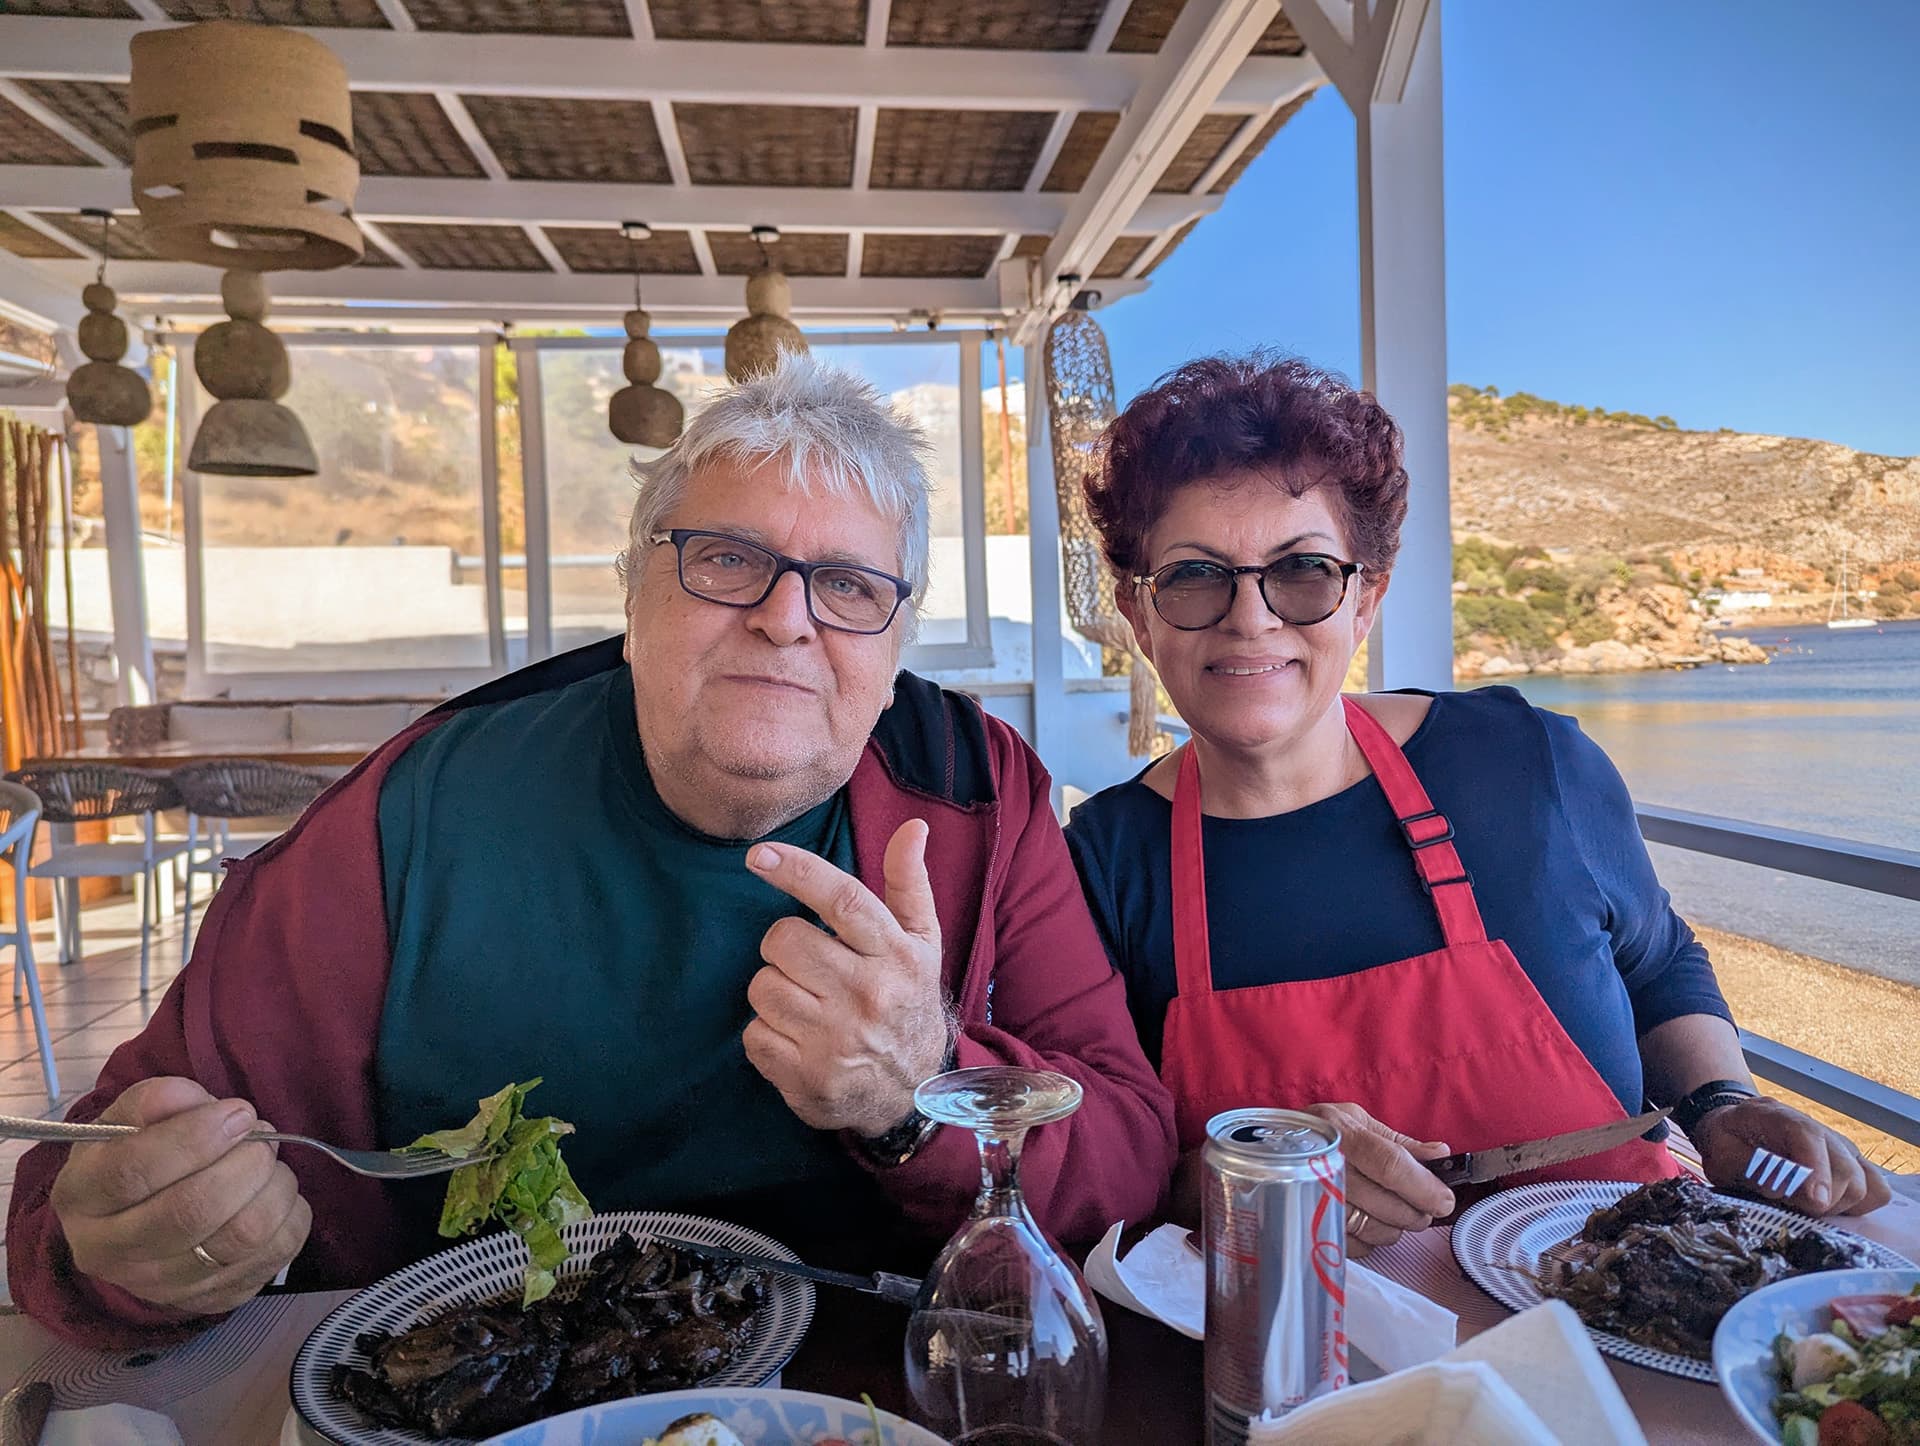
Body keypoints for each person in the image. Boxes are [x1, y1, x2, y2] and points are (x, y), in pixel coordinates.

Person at [9, 356, 1176, 1347]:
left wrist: (919, 1093)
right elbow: (92, 1189)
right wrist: (123, 1247)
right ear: (635, 595)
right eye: (726, 560)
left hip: (863, 1384)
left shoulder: (979, 793)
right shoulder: (417, 807)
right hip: (484, 1382)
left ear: (899, 641)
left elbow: (1124, 1150)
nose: (785, 617)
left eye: (850, 586)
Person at [1062, 354, 1889, 1256]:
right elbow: (1112, 1152)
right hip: (1299, 1363)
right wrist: (1253, 1173)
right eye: (1193, 576)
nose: (1251, 618)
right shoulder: (1102, 864)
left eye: (1302, 571)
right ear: (1139, 618)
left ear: (1365, 599)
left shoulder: (1526, 762)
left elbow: (1655, 960)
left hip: (1627, 1320)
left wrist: (1724, 1104)